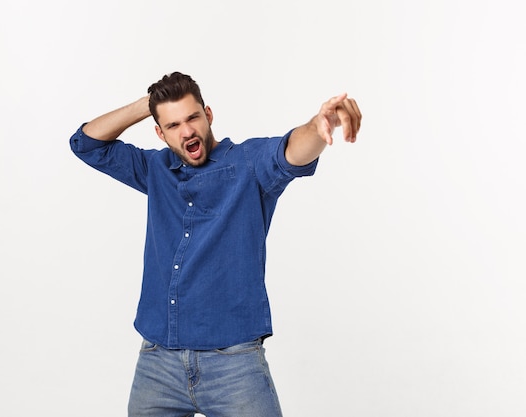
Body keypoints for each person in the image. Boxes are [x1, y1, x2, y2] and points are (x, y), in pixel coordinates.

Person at [69, 72, 361, 417]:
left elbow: (290, 152)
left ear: (208, 115)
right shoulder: (154, 169)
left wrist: (318, 124)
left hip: (233, 364)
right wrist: (144, 106)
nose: (187, 131)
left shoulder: (248, 164)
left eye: (192, 118)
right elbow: (85, 144)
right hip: (157, 362)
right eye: (173, 125)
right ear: (159, 133)